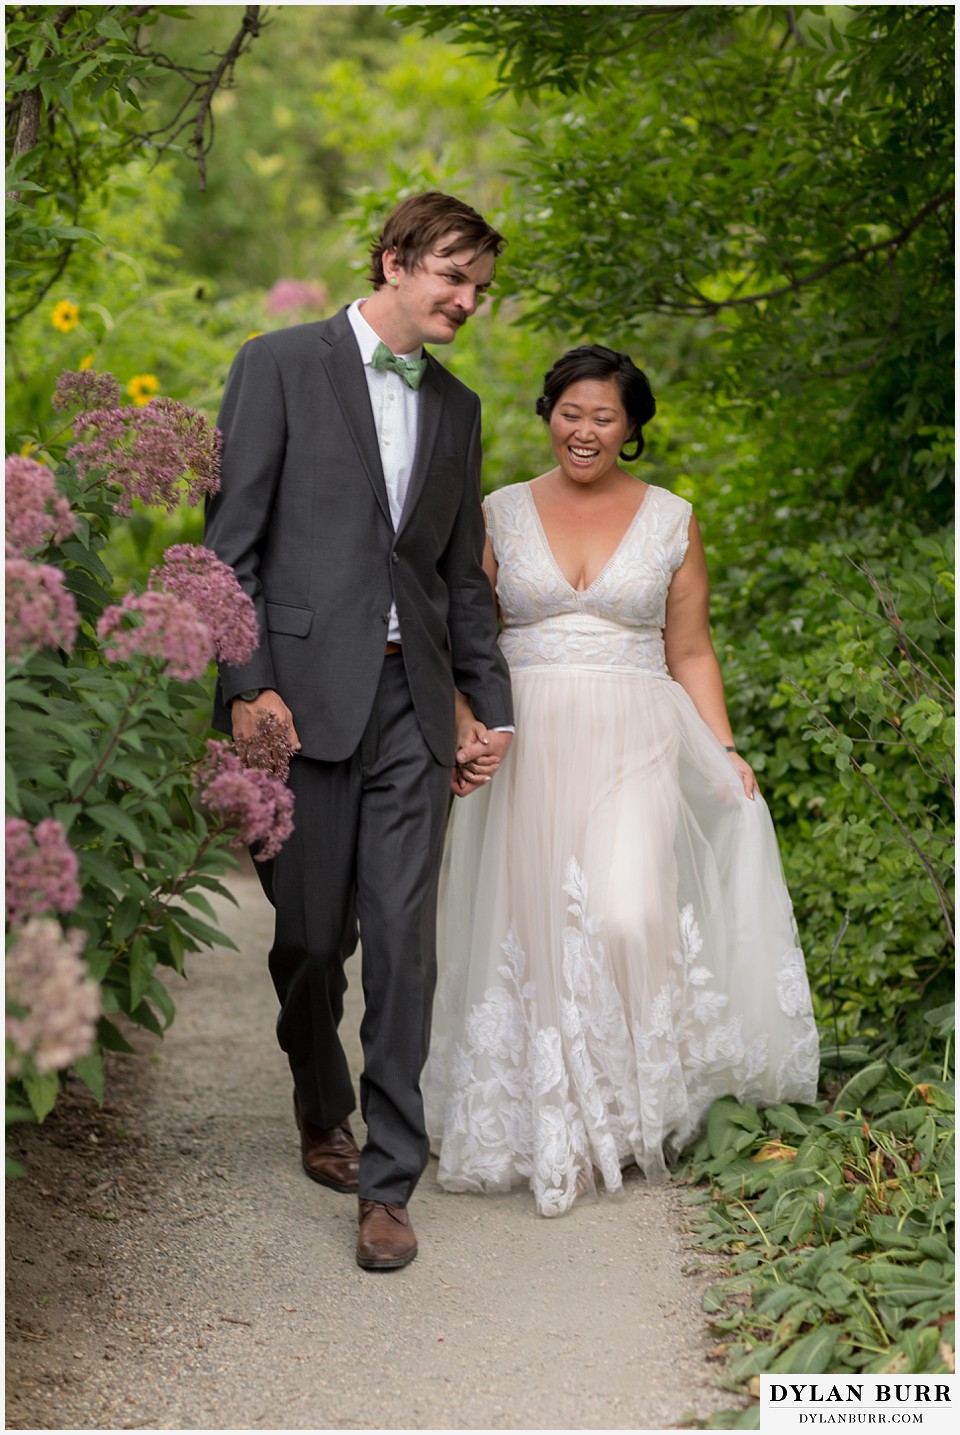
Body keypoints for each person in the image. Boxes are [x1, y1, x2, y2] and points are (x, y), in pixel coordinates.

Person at [422, 345, 820, 1218]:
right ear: (549, 413)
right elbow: (461, 630)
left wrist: (721, 746)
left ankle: (630, 1110)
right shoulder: (498, 511)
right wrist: (462, 718)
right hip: (524, 738)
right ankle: (543, 1121)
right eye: (571, 412)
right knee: (529, 929)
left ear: (631, 427)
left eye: (605, 417)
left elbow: (690, 648)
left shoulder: (672, 516)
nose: (585, 430)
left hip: (638, 735)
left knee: (628, 910)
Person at [203, 192, 514, 1269]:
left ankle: (389, 1181)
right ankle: (317, 1100)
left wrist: (491, 705)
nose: (467, 301)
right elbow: (227, 546)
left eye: (479, 288)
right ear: (394, 260)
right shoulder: (277, 363)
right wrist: (249, 685)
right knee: (306, 942)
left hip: (409, 708)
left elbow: (455, 581)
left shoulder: (460, 407)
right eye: (452, 278)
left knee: (403, 943)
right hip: (295, 703)